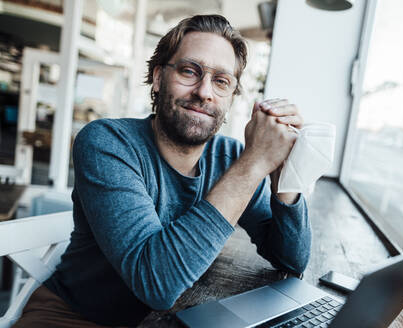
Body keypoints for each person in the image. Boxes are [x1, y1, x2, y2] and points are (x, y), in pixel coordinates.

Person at [14, 14, 310, 327]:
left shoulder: (230, 159)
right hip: (73, 318)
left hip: (162, 321)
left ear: (231, 97)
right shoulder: (107, 143)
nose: (204, 92)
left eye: (221, 81)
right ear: (158, 77)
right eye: (189, 71)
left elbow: (291, 260)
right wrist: (255, 164)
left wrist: (284, 174)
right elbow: (158, 284)